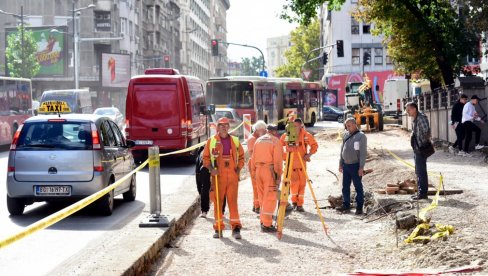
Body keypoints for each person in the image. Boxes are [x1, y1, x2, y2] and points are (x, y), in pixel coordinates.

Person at [203, 117, 245, 239]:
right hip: (218, 176)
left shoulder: (235, 141)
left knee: (233, 202)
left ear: (229, 127)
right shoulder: (211, 141)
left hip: (232, 175)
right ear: (217, 127)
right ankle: (218, 228)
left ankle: (236, 228)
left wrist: (237, 170)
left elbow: (242, 157)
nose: (224, 127)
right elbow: (205, 159)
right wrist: (212, 170)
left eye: (226, 125)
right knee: (218, 203)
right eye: (221, 125)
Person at [280, 118, 318, 212]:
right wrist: (285, 157)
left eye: (296, 126)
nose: (294, 129)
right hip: (290, 164)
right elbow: (279, 147)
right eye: (293, 126)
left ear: (301, 126)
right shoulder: (286, 135)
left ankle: (300, 204)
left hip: (301, 165)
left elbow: (314, 145)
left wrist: (309, 154)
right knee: (293, 184)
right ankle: (294, 202)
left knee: (302, 184)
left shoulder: (305, 135)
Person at [251, 124, 283, 232]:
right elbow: (278, 161)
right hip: (269, 171)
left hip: (258, 171)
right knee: (270, 198)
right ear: (274, 131)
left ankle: (262, 220)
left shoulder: (258, 140)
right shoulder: (275, 141)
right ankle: (267, 224)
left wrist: (254, 173)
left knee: (261, 197)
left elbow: (253, 158)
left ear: (267, 130)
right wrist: (278, 176)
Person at [336, 118, 367, 215]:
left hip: (355, 165)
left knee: (358, 187)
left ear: (354, 124)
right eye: (346, 126)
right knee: (345, 187)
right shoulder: (345, 135)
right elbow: (342, 150)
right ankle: (346, 205)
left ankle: (359, 207)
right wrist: (340, 163)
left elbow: (363, 153)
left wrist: (361, 167)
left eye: (349, 126)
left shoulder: (361, 136)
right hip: (346, 165)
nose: (347, 128)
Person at [405, 102, 431, 200]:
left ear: (414, 109)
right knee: (418, 171)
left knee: (421, 171)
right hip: (417, 148)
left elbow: (427, 132)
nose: (407, 112)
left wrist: (423, 145)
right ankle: (421, 192)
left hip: (421, 148)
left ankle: (423, 193)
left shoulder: (421, 118)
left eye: (409, 110)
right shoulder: (415, 119)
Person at [195, 150, 226, 218]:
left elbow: (198, 178)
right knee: (217, 188)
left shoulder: (202, 152)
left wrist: (200, 190)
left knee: (207, 188)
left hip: (210, 166)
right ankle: (219, 211)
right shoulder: (203, 153)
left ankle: (206, 211)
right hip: (208, 167)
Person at [247, 120, 267, 214]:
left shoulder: (257, 138)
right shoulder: (253, 139)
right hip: (254, 165)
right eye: (263, 130)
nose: (264, 132)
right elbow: (252, 153)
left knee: (258, 186)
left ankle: (257, 205)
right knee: (256, 186)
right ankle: (257, 206)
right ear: (258, 130)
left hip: (257, 165)